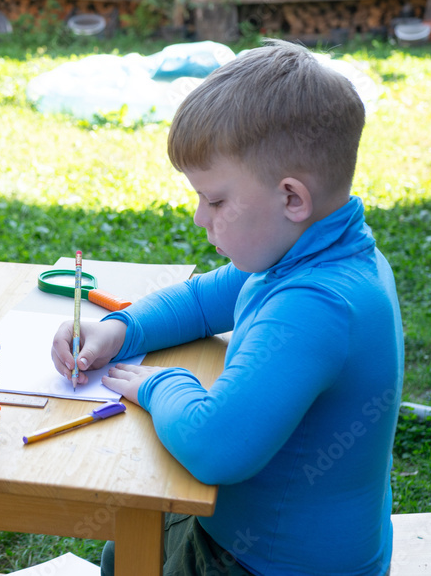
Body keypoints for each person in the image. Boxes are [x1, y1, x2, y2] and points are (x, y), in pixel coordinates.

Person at [51, 41, 403, 576]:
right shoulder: (315, 251)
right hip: (258, 537)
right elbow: (198, 300)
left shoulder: (316, 304)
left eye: (214, 200)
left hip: (273, 564)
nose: (199, 218)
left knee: (134, 543)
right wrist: (119, 330)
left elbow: (214, 446)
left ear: (292, 199)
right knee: (123, 547)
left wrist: (155, 383)